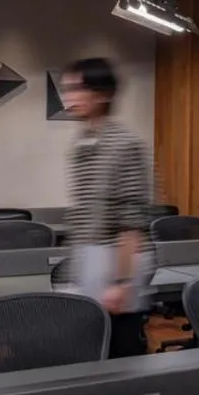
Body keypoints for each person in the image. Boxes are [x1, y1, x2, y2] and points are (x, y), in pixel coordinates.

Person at [60, 57, 153, 358]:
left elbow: (131, 222)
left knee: (120, 352)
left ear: (102, 94)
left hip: (116, 263)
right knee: (90, 351)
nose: (69, 97)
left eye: (77, 89)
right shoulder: (84, 142)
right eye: (68, 89)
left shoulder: (124, 145)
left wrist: (121, 282)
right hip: (90, 260)